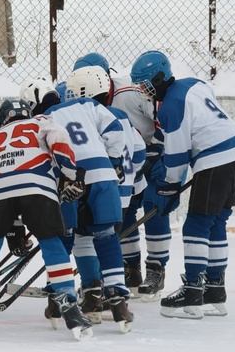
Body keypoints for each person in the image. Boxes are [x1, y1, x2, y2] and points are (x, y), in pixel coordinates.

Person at [0, 99, 91, 340]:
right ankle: (68, 303)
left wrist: (13, 232)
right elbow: (59, 139)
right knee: (51, 241)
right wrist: (70, 175)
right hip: (36, 185)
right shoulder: (41, 121)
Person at [131, 50, 235, 319]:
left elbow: (176, 159)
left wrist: (168, 189)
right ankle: (215, 290)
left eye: (145, 84)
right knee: (215, 222)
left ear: (159, 79)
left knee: (196, 224)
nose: (142, 90)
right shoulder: (194, 83)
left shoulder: (172, 106)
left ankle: (194, 292)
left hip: (215, 162)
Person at [30, 72, 134, 333]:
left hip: (69, 178)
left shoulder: (43, 118)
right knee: (107, 237)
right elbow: (114, 130)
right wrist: (114, 162)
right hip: (102, 175)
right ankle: (119, 302)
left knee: (64, 238)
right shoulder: (90, 105)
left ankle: (58, 300)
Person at [71, 52, 170, 300]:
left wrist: (155, 152)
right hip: (119, 161)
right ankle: (130, 268)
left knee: (154, 206)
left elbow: (163, 119)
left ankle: (156, 268)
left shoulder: (131, 91)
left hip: (152, 154)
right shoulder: (83, 96)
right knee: (120, 212)